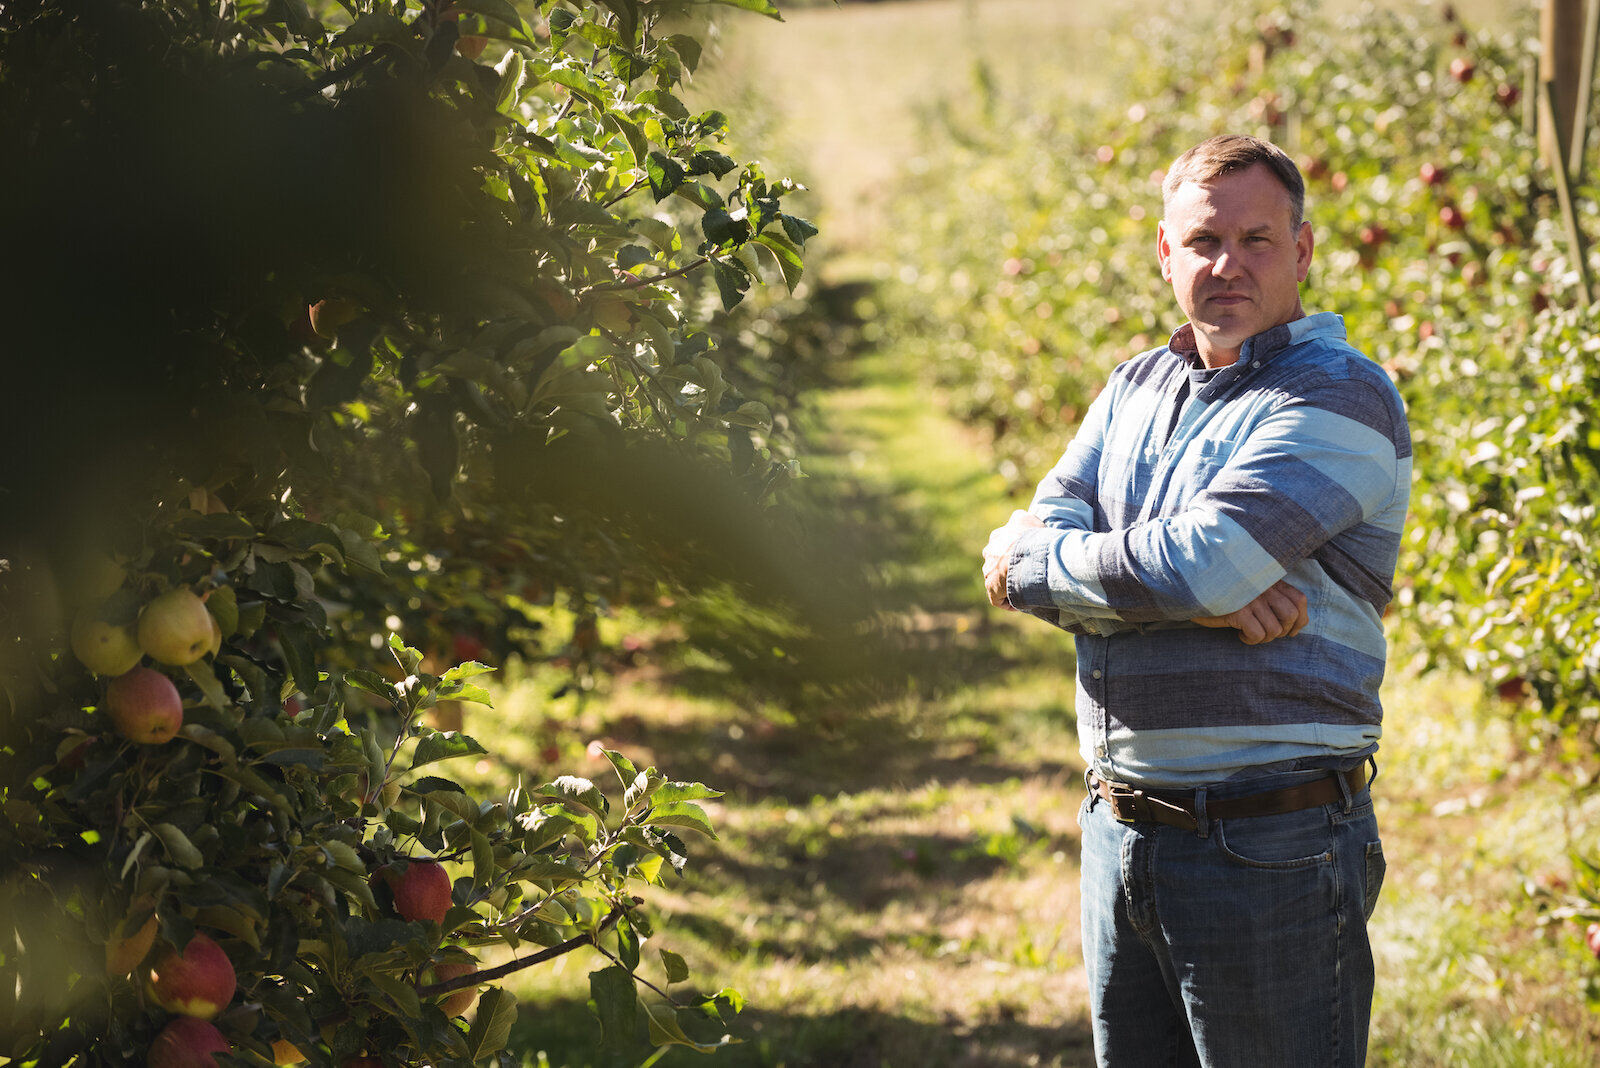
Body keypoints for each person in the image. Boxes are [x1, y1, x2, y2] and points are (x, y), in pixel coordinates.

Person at [981, 134, 1411, 1067]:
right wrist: (1180, 593)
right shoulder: (1133, 386)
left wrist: (1052, 566)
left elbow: (1196, 564)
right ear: (1165, 252)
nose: (1229, 265)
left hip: (1269, 840)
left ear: (1301, 252)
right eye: (1205, 241)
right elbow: (1029, 543)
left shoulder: (1340, 395)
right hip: (1120, 828)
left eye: (1258, 240)